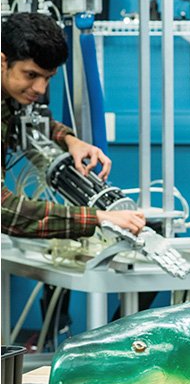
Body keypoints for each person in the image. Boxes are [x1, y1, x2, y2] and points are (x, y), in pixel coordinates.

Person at [2, 12, 145, 238]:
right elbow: (5, 211)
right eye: (31, 75)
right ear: (3, 61)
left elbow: (25, 120)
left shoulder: (11, 94)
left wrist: (70, 140)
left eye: (48, 78)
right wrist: (98, 218)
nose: (39, 89)